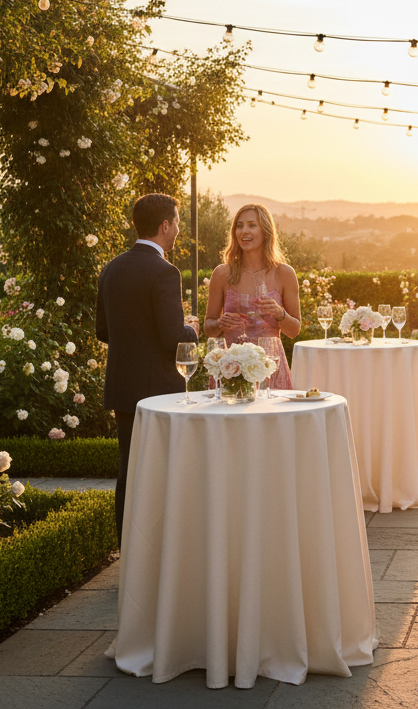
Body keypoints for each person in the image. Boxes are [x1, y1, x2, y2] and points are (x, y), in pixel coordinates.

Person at [97, 193, 200, 547]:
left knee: (129, 473)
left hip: (124, 389)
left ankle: (130, 553)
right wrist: (193, 329)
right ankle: (165, 551)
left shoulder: (111, 268)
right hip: (160, 391)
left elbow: (102, 332)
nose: (178, 231)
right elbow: (174, 337)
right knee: (166, 474)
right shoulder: (165, 272)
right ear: (165, 225)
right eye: (177, 224)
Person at [204, 203, 300, 389]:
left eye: (251, 225)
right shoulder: (222, 274)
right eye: (239, 226)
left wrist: (280, 314)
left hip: (270, 368)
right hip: (230, 370)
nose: (244, 231)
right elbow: (209, 327)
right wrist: (219, 324)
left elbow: (293, 330)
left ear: (266, 231)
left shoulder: (284, 274)